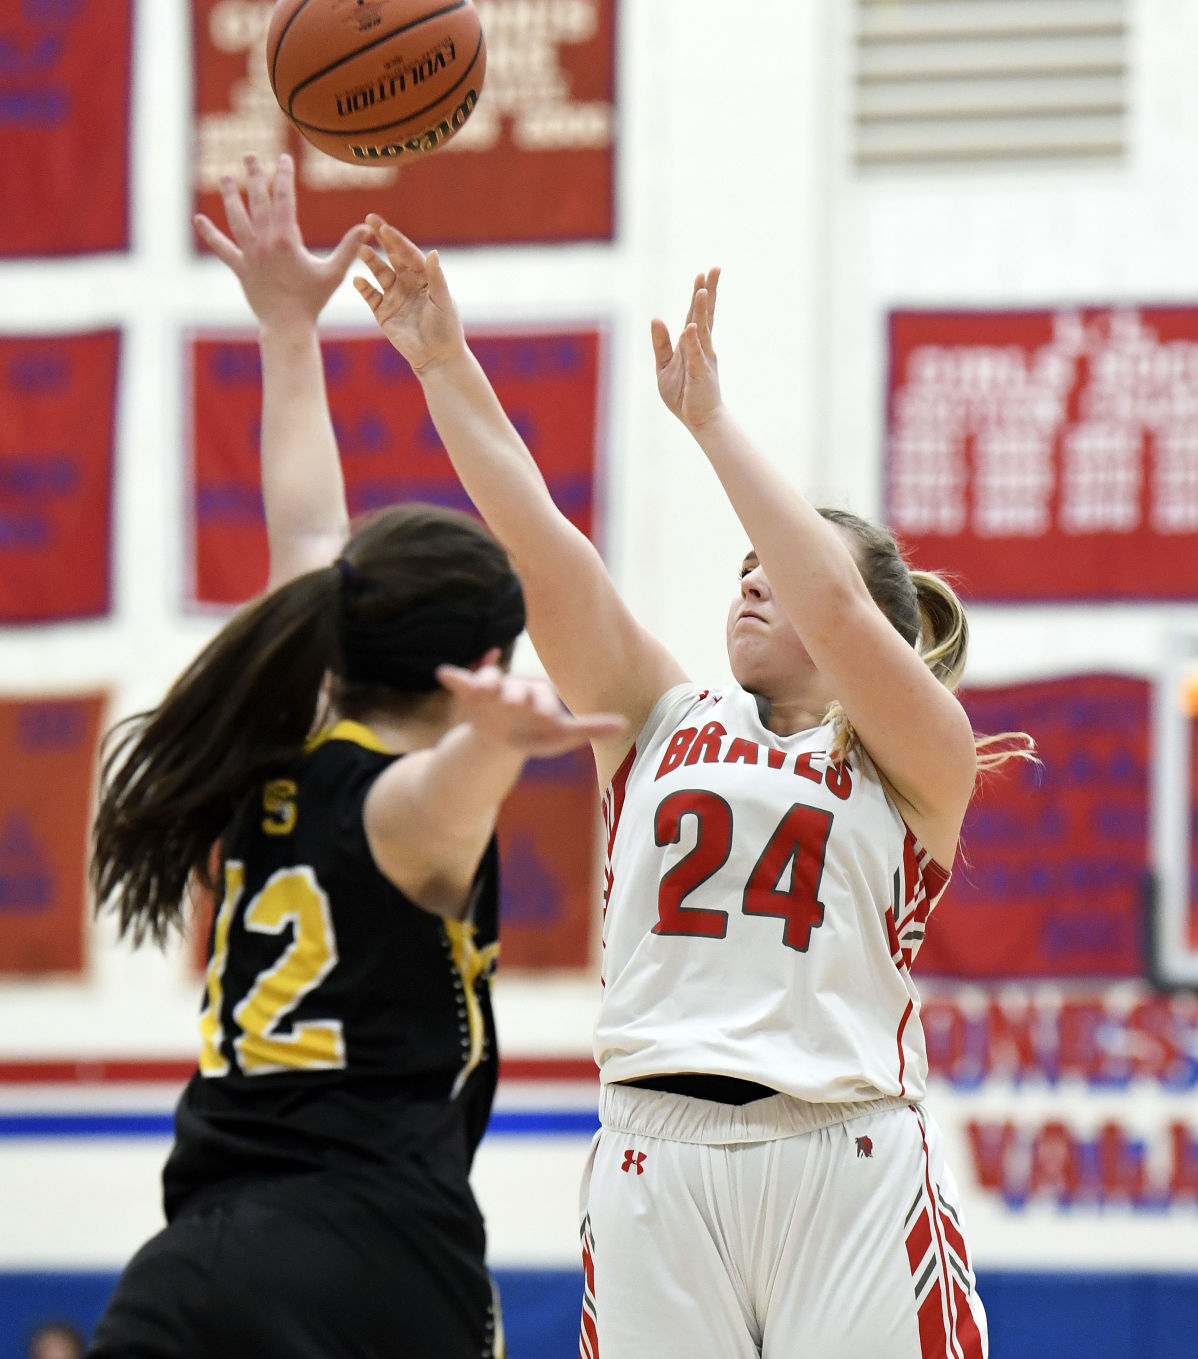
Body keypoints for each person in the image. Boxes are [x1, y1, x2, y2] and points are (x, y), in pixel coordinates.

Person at [356, 221, 1032, 1359]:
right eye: (741, 572)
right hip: (652, 1154)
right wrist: (443, 363)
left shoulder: (920, 754)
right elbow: (542, 541)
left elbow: (838, 613)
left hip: (846, 1154)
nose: (753, 583)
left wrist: (711, 425)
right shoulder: (657, 716)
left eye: (779, 566)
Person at [83, 155, 621, 1359]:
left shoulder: (278, 733)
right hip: (376, 1266)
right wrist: (493, 744)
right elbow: (434, 799)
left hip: (197, 1259)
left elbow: (311, 528)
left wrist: (286, 327)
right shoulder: (406, 806)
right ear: (471, 662)